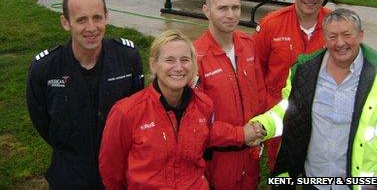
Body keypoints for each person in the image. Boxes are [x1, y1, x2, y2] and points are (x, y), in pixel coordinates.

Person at [251, 8, 377, 189]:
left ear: (361, 35)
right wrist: (262, 125)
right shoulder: (304, 70)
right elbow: (289, 112)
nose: (340, 43)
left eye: (347, 35)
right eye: (332, 36)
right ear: (324, 39)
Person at [99, 30, 262, 189]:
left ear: (193, 63)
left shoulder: (203, 105)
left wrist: (242, 134)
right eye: (169, 60)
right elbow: (111, 171)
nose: (178, 67)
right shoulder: (127, 112)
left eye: (184, 59)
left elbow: (210, 134)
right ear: (154, 64)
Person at [26, 0, 144, 189]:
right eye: (81, 20)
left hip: (119, 173)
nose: (91, 28)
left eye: (97, 18)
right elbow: (41, 120)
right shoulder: (44, 69)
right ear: (65, 22)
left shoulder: (128, 58)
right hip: (70, 174)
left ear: (107, 17)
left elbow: (138, 111)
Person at [253, 0, 331, 170]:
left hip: (321, 115)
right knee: (279, 170)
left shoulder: (335, 25)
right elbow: (256, 72)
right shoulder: (271, 24)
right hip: (280, 112)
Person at [194, 0, 267, 190]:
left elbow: (260, 96)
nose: (231, 14)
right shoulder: (196, 57)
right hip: (218, 161)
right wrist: (240, 135)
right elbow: (197, 123)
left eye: (235, 8)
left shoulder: (248, 45)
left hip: (250, 156)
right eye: (222, 8)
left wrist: (259, 128)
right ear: (206, 11)